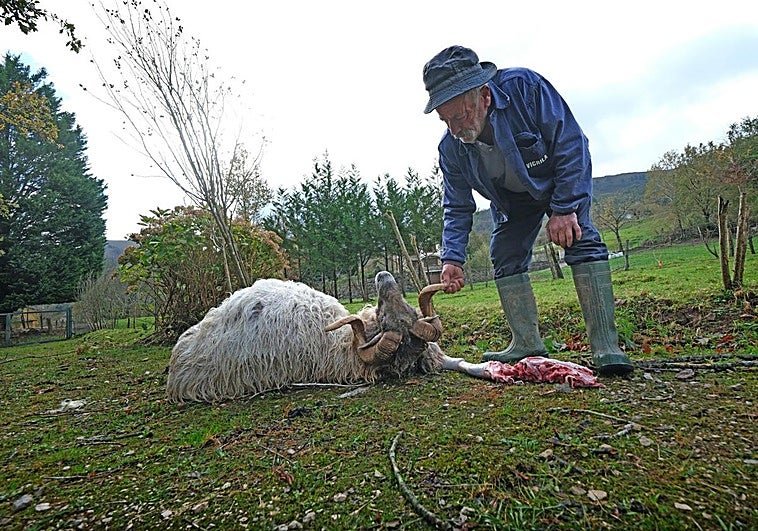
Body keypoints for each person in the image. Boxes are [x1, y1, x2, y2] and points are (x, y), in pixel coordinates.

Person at [422, 45, 633, 376]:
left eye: (459, 116)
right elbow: (457, 205)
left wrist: (565, 208)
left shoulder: (526, 89)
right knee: (504, 251)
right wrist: (453, 258)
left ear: (485, 97)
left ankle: (606, 346)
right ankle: (527, 343)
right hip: (513, 199)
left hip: (557, 181)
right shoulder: (451, 149)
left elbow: (571, 143)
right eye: (444, 119)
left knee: (581, 237)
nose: (453, 128)